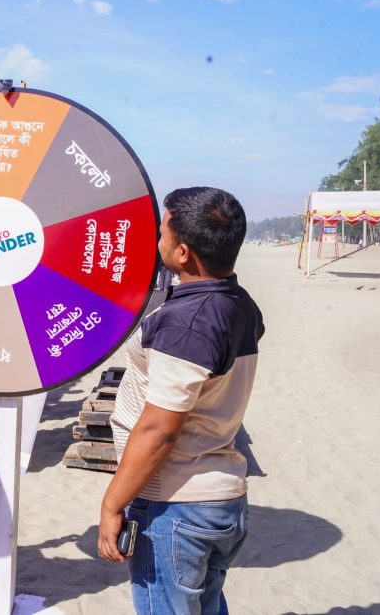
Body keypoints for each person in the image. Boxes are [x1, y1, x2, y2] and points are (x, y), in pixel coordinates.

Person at [98, 187, 265, 615]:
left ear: (184, 252)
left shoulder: (188, 324)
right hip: (221, 498)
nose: (158, 241)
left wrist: (112, 504)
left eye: (162, 233)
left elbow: (159, 431)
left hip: (176, 504)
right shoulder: (238, 302)